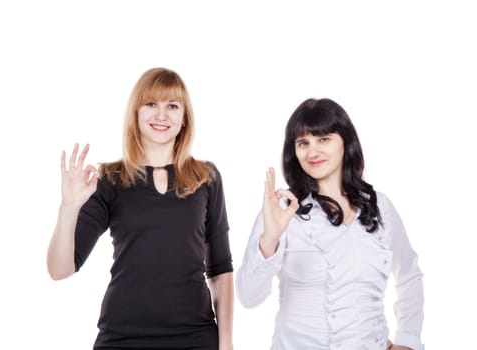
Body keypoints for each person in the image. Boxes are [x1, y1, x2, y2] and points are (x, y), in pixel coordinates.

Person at [47, 68, 234, 350]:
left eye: (172, 106)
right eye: (151, 104)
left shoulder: (206, 178)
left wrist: (227, 344)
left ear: (184, 118)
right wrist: (68, 209)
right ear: (136, 113)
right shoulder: (110, 179)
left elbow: (220, 270)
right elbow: (59, 269)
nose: (162, 115)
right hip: (122, 337)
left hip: (195, 337)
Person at [236, 98, 424, 350]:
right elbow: (248, 297)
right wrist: (269, 239)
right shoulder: (282, 209)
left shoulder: (380, 206)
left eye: (323, 139)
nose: (313, 152)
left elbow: (409, 275)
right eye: (303, 143)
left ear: (345, 142)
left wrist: (407, 340)